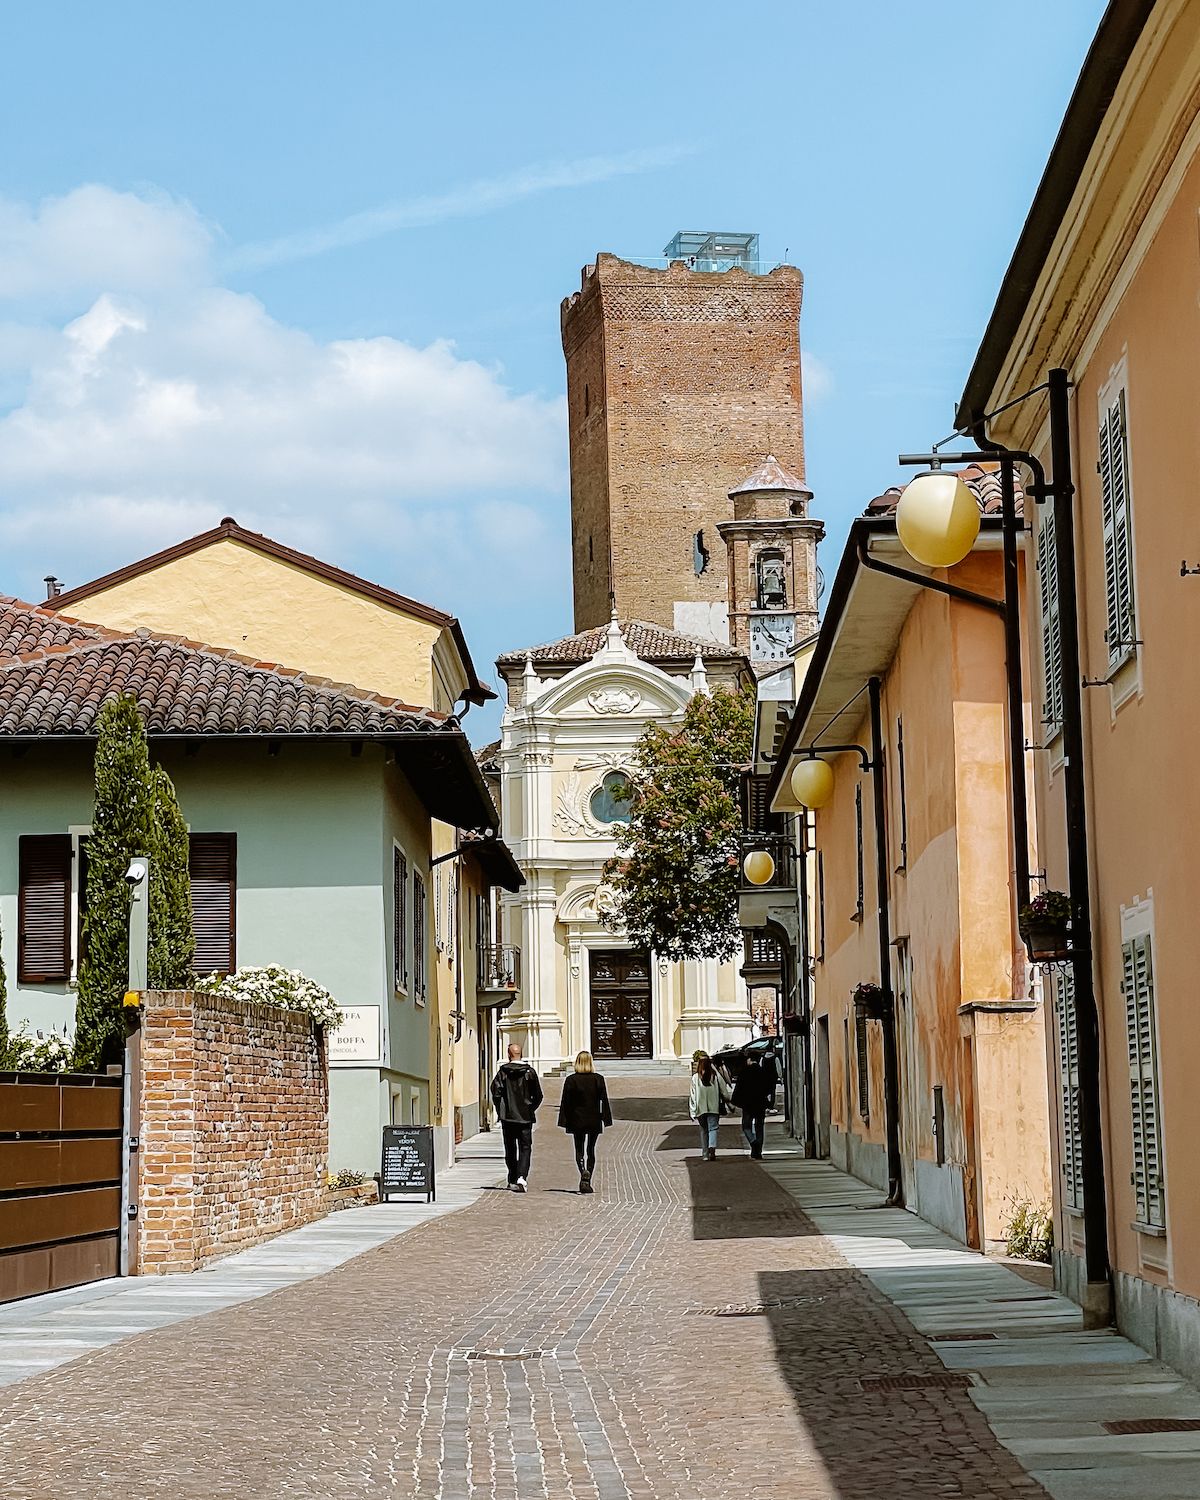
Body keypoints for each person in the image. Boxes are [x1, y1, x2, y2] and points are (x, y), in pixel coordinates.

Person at [556, 1050, 613, 1194]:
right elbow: (604, 1100)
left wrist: (564, 1120)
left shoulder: (571, 1080)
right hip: (594, 1118)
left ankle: (583, 1172)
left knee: (579, 1149)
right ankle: (588, 1180)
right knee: (591, 1149)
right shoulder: (598, 1079)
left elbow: (566, 1102)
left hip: (577, 1119)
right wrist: (606, 1119)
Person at [490, 1042, 543, 1193]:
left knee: (510, 1148)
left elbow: (496, 1092)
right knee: (525, 1148)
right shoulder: (529, 1072)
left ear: (508, 1055)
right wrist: (530, 1108)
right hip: (525, 1117)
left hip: (508, 1118)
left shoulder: (503, 1073)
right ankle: (522, 1176)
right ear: (522, 1054)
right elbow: (538, 1095)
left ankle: (512, 1178)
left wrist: (501, 1111)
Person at [689, 1051, 732, 1160]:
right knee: (713, 1128)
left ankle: (705, 1154)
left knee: (703, 1131)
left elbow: (693, 1096)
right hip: (714, 1107)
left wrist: (693, 1111)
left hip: (701, 1108)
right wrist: (728, 1100)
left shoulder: (695, 1077)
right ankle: (712, 1146)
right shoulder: (715, 1075)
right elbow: (723, 1090)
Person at [732, 1053, 771, 1159]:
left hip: (748, 1104)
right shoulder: (763, 1072)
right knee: (759, 1127)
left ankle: (754, 1143)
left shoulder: (744, 1072)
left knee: (746, 1126)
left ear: (749, 1060)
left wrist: (735, 1101)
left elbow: (738, 1088)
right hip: (760, 1103)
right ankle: (758, 1151)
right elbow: (768, 1087)